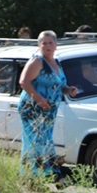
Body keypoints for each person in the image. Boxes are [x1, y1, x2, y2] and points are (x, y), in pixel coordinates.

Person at [17, 30, 77, 178]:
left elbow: (58, 87)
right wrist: (39, 99)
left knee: (42, 142)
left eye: (51, 42)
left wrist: (69, 90)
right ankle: (50, 176)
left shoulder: (56, 63)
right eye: (44, 43)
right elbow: (24, 82)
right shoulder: (37, 61)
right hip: (33, 108)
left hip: (49, 111)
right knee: (37, 142)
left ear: (56, 45)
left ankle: (32, 176)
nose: (48, 46)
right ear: (39, 45)